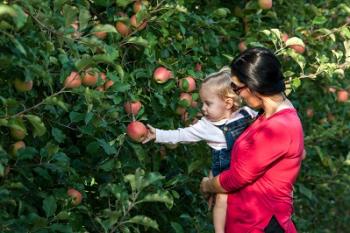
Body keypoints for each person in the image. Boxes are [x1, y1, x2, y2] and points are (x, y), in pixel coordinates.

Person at [200, 47, 304, 233]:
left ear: (253, 86)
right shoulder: (267, 115)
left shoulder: (279, 127)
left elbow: (238, 177)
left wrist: (208, 185)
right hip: (247, 221)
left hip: (261, 224)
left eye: (236, 87)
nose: (236, 93)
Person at [142, 67, 257, 233]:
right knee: (222, 199)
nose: (203, 108)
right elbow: (182, 135)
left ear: (228, 103)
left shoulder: (246, 114)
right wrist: (157, 135)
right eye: (203, 102)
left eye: (208, 103)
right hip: (225, 171)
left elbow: (266, 123)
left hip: (246, 167)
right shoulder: (206, 126)